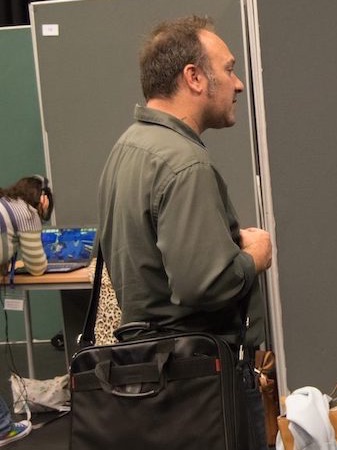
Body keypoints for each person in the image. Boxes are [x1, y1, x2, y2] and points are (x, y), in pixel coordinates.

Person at [97, 15, 272, 450]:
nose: (239, 85)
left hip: (156, 386)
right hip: (200, 389)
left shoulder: (126, 150)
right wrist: (253, 256)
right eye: (229, 69)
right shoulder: (184, 163)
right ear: (194, 77)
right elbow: (203, 286)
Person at [0, 175, 50, 447]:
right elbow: (37, 264)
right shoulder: (27, 211)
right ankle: (2, 428)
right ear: (41, 198)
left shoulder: (4, 204)